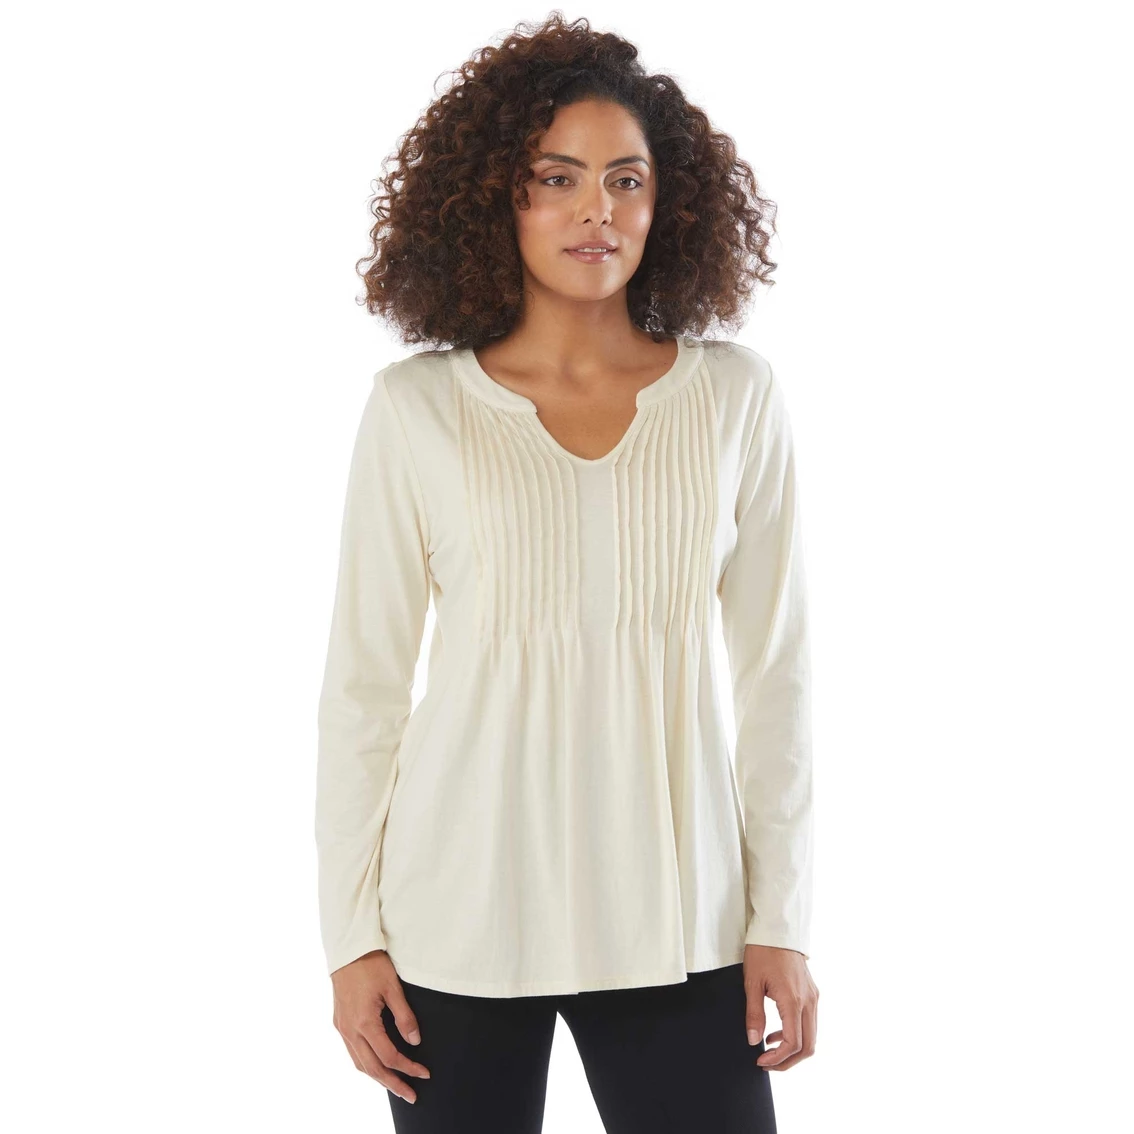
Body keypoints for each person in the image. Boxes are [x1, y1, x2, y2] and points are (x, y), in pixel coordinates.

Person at [314, 12, 819, 1132]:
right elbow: (363, 690)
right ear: (496, 200)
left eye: (626, 180)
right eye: (558, 179)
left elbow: (776, 677)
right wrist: (352, 937)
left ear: (665, 203)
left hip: (681, 921)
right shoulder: (416, 410)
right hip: (456, 919)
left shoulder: (735, 399)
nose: (599, 210)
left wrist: (780, 917)